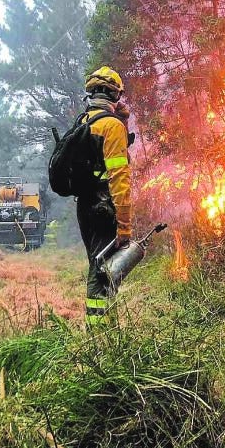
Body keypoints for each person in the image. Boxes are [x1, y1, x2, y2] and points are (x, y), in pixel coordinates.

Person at [77, 67, 132, 328]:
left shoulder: (84, 122)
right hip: (104, 208)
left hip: (85, 207)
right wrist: (124, 225)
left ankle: (105, 327)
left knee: (99, 264)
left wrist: (124, 123)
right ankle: (98, 336)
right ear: (115, 94)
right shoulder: (111, 126)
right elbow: (119, 180)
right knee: (101, 272)